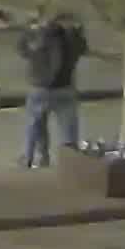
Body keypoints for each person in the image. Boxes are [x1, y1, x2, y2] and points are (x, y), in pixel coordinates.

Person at [15, 10, 87, 168]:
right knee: (68, 128)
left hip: (40, 86)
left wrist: (29, 30)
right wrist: (78, 30)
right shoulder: (69, 36)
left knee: (35, 124)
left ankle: (33, 157)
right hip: (64, 87)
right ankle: (70, 161)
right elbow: (82, 49)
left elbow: (22, 50)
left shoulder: (39, 36)